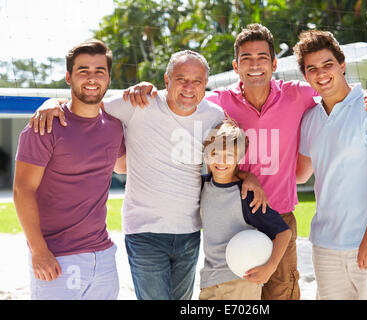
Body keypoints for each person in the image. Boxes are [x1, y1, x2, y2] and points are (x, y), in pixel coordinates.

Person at [116, 24, 367, 300]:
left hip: (280, 217)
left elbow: (337, 89)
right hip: (235, 221)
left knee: (282, 293)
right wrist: (146, 89)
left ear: (274, 64)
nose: (255, 65)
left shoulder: (299, 94)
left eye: (262, 57)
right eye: (246, 58)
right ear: (236, 67)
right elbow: (182, 98)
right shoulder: (218, 102)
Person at [28, 50, 267, 300]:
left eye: (197, 81)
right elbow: (88, 101)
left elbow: (227, 158)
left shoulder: (214, 116)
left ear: (205, 85)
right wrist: (52, 102)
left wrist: (248, 177)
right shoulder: (139, 103)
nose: (188, 87)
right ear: (167, 80)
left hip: (189, 231)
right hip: (144, 232)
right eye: (181, 79)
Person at [13, 39, 126, 300]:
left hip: (104, 256)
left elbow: (123, 165)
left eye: (100, 71)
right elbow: (22, 190)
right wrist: (38, 251)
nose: (92, 78)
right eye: (83, 70)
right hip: (57, 257)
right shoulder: (45, 125)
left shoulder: (114, 126)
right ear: (68, 76)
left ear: (109, 77)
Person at [294, 30, 367, 299]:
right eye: (312, 69)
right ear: (305, 76)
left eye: (327, 64)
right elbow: (298, 174)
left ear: (342, 65)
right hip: (325, 245)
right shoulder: (310, 118)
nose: (321, 73)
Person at [199, 119, 291, 300]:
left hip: (242, 280)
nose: (221, 161)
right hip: (209, 279)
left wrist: (270, 268)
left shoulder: (246, 195)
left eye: (229, 156)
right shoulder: (202, 186)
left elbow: (283, 232)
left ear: (239, 158)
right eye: (215, 153)